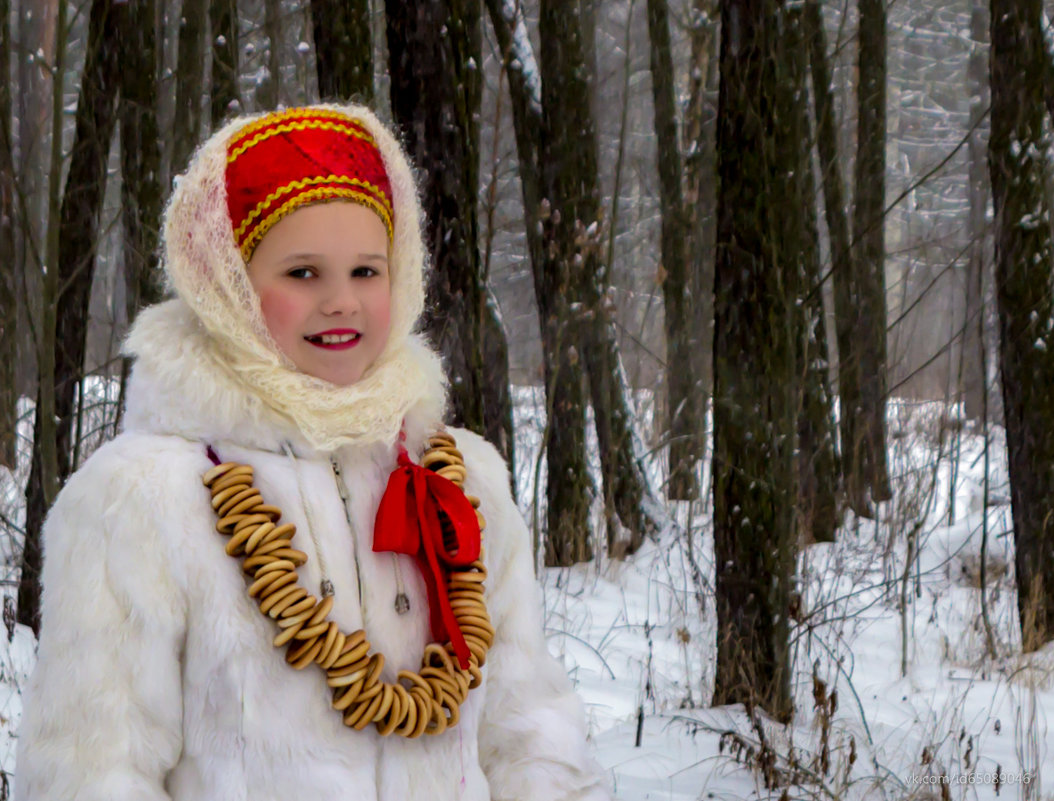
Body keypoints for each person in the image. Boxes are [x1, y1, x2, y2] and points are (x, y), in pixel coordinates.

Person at [15, 105, 611, 801]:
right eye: (302, 273)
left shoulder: (462, 480)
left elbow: (529, 729)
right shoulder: (139, 500)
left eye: (366, 270)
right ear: (227, 283)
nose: (342, 302)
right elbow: (91, 772)